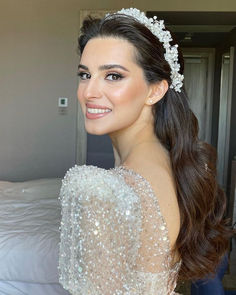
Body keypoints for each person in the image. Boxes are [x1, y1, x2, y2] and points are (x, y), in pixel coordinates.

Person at [58, 8, 233, 295]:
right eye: (85, 74)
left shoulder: (104, 192)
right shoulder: (172, 160)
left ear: (155, 91)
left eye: (113, 76)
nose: (88, 92)